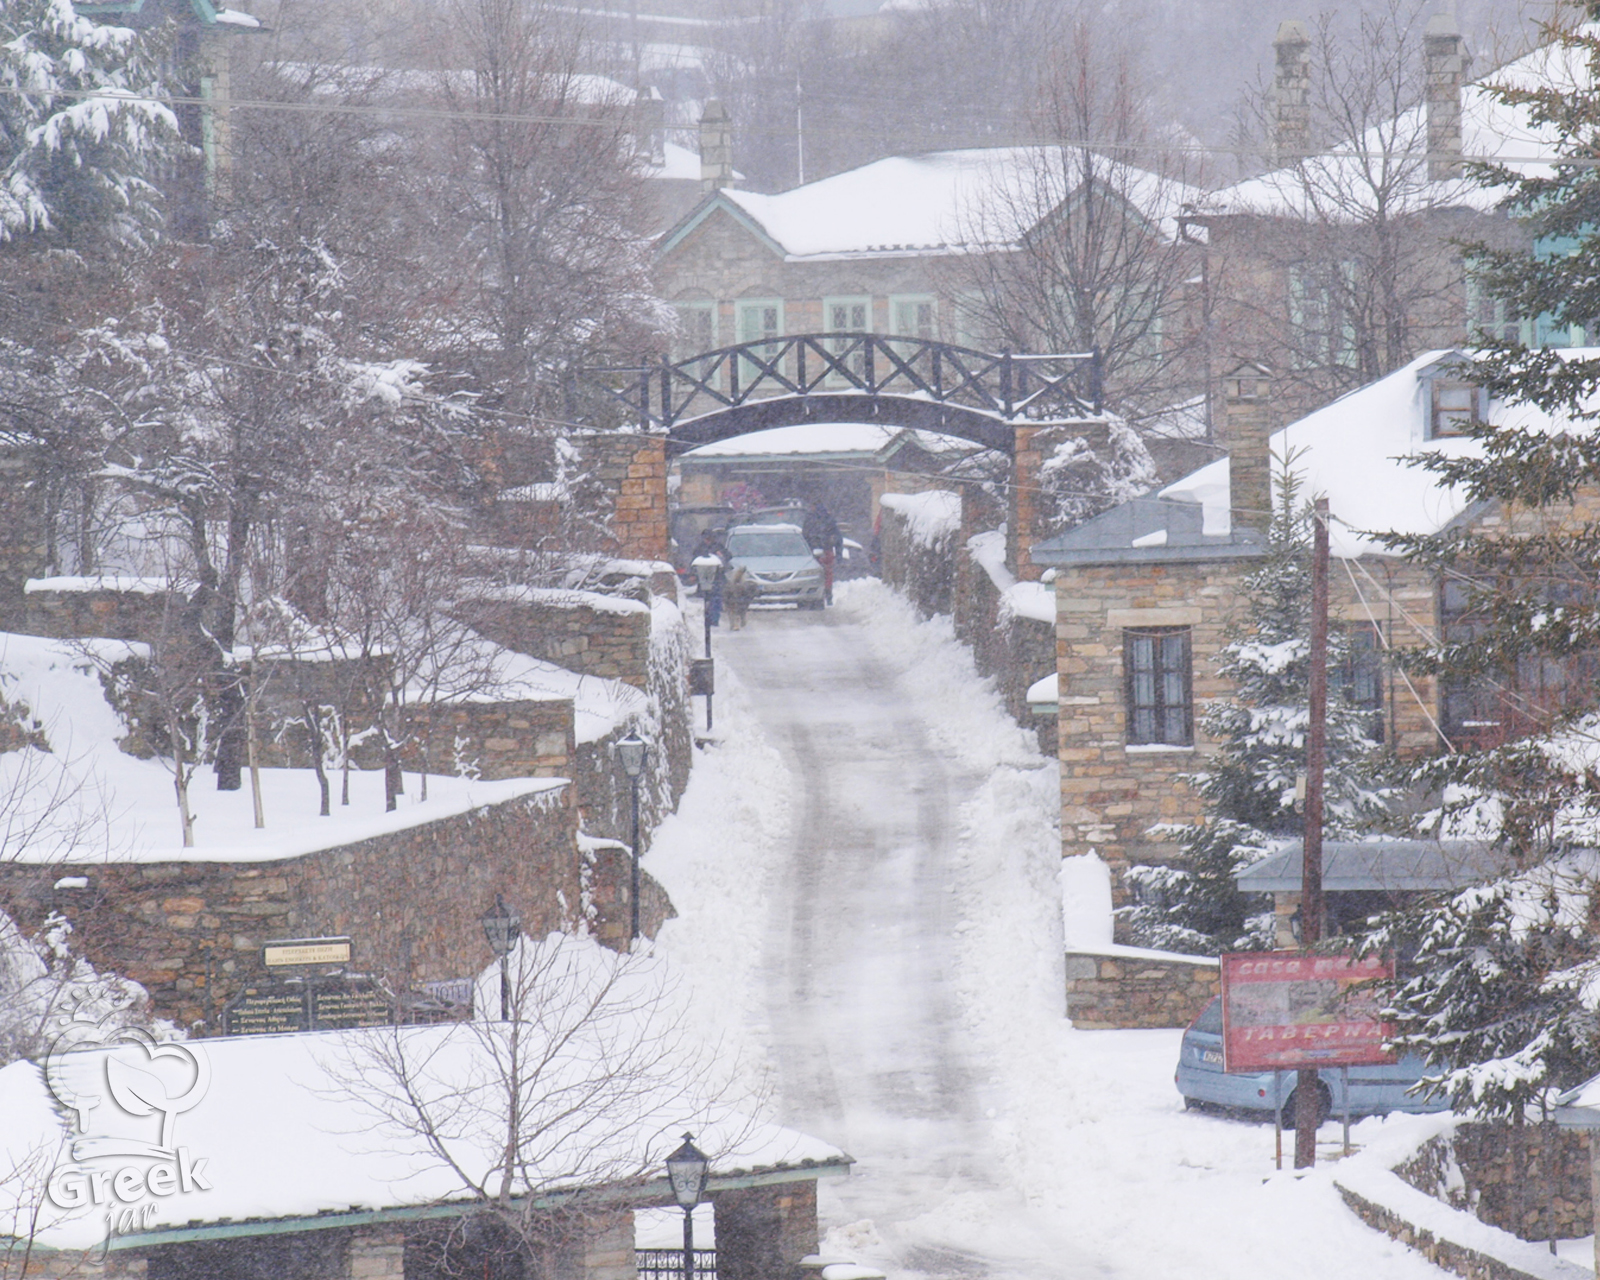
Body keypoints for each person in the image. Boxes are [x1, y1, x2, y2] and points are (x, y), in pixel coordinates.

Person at [802, 503, 843, 605]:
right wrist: (838, 554)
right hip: (827, 550)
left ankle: (811, 594)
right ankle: (828, 595)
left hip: (812, 552)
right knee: (827, 574)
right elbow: (838, 538)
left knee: (811, 574)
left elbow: (804, 536)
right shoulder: (829, 520)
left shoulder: (810, 519)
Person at [691, 528, 730, 626]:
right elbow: (694, 563)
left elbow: (729, 556)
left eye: (709, 538)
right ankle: (708, 619)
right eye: (706, 538)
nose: (707, 540)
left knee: (715, 600)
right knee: (707, 600)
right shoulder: (700, 548)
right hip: (704, 579)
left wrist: (722, 555)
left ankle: (714, 620)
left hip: (717, 578)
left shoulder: (718, 547)